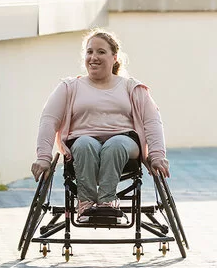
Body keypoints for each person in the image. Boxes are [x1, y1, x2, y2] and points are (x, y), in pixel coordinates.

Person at [31, 28, 170, 222]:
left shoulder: (131, 87)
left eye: (101, 52)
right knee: (84, 144)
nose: (93, 57)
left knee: (114, 145)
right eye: (89, 52)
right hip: (82, 143)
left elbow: (152, 121)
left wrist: (157, 156)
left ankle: (107, 203)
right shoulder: (69, 87)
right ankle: (86, 204)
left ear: (114, 57)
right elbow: (48, 120)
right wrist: (43, 158)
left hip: (125, 142)